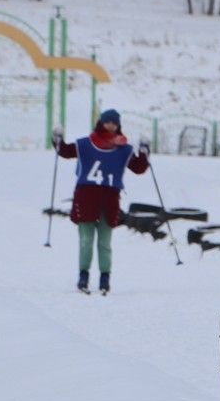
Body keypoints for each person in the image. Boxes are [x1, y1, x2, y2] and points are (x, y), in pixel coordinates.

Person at [52, 109, 150, 294]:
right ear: (101, 123)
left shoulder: (123, 149)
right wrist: (57, 139)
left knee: (105, 242)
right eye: (108, 122)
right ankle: (83, 277)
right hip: (86, 198)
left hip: (109, 201)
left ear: (118, 125)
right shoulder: (86, 144)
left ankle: (105, 279)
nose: (111, 125)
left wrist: (144, 151)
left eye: (114, 123)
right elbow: (65, 151)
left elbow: (138, 167)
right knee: (86, 240)